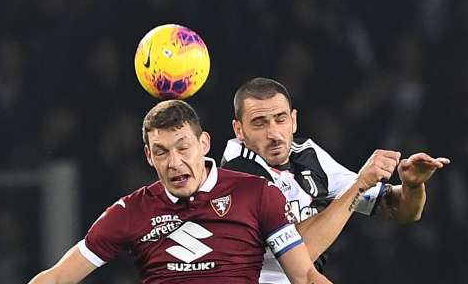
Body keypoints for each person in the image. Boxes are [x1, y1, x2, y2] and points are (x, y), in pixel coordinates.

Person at [29, 100, 331, 284]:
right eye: (161, 152)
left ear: (204, 144)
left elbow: (305, 276)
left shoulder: (257, 194)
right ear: (149, 156)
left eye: (183, 147)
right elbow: (56, 277)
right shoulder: (129, 212)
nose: (174, 163)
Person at [221, 77, 450, 284]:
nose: (275, 134)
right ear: (239, 130)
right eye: (260, 123)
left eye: (280, 119)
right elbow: (297, 257)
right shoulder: (237, 174)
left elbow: (400, 210)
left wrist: (412, 185)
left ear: (294, 120)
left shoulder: (306, 154)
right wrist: (359, 185)